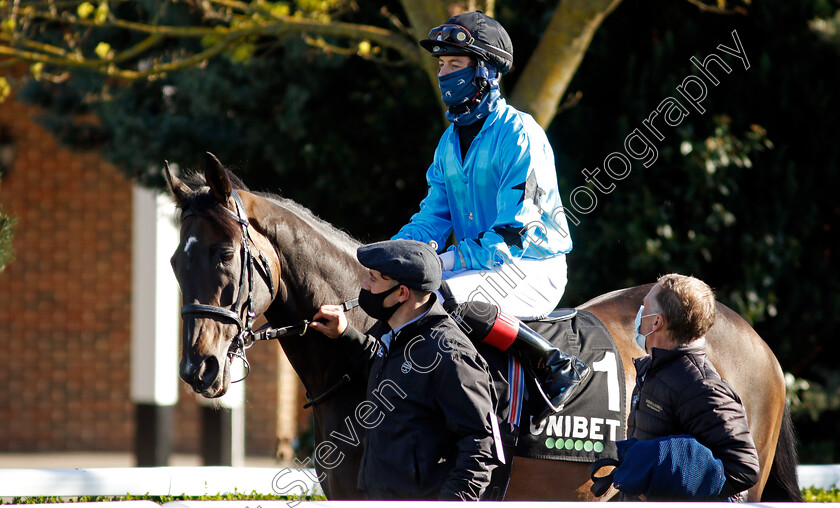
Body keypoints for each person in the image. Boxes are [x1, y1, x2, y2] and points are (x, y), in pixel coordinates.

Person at [392, 11, 588, 423]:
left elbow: (512, 233)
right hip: (478, 263)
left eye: (455, 64)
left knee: (448, 300)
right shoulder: (448, 142)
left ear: (485, 70)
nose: (444, 73)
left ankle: (552, 362)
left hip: (531, 265)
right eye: (441, 64)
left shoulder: (522, 134)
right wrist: (398, 254)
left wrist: (443, 262)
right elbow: (433, 214)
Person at [310, 239, 500, 500]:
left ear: (402, 294)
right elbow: (393, 375)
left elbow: (481, 447)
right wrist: (345, 334)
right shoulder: (395, 335)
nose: (364, 286)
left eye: (374, 279)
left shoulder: (451, 355)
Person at [609, 274, 760, 501]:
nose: (640, 312)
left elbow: (743, 468)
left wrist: (658, 472)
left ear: (657, 322)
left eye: (645, 306)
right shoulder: (656, 368)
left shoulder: (703, 386)